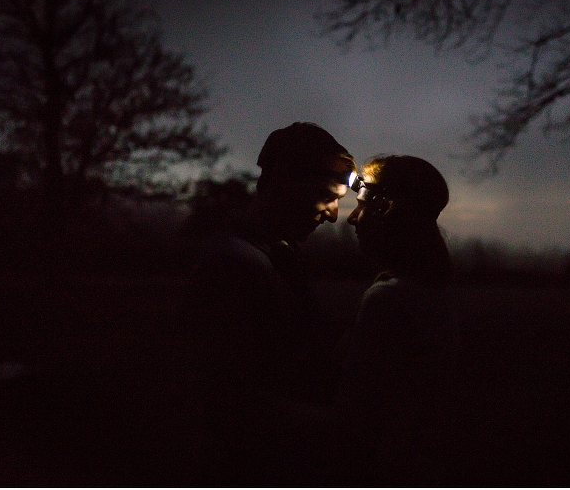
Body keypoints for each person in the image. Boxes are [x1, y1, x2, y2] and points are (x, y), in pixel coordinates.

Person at [186, 122, 356, 486]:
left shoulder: (277, 257)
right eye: (329, 196)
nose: (333, 215)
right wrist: (337, 424)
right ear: (284, 185)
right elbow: (230, 399)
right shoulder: (233, 265)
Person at [336, 154, 460, 486]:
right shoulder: (435, 291)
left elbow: (358, 416)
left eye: (361, 206)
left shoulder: (389, 300)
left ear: (386, 208)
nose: (352, 218)